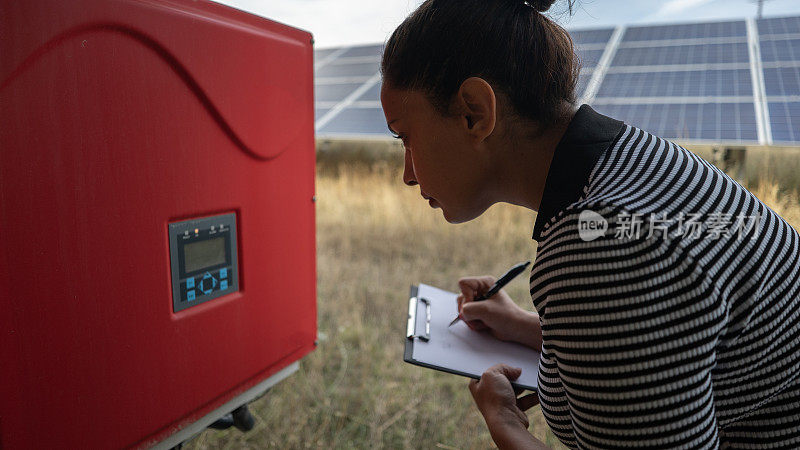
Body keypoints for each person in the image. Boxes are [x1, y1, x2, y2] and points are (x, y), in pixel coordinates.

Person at [379, 0, 800, 448]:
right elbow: (668, 353)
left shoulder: (601, 251)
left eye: (405, 137)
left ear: (475, 112)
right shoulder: (633, 160)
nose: (407, 173)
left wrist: (505, 423)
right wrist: (527, 328)